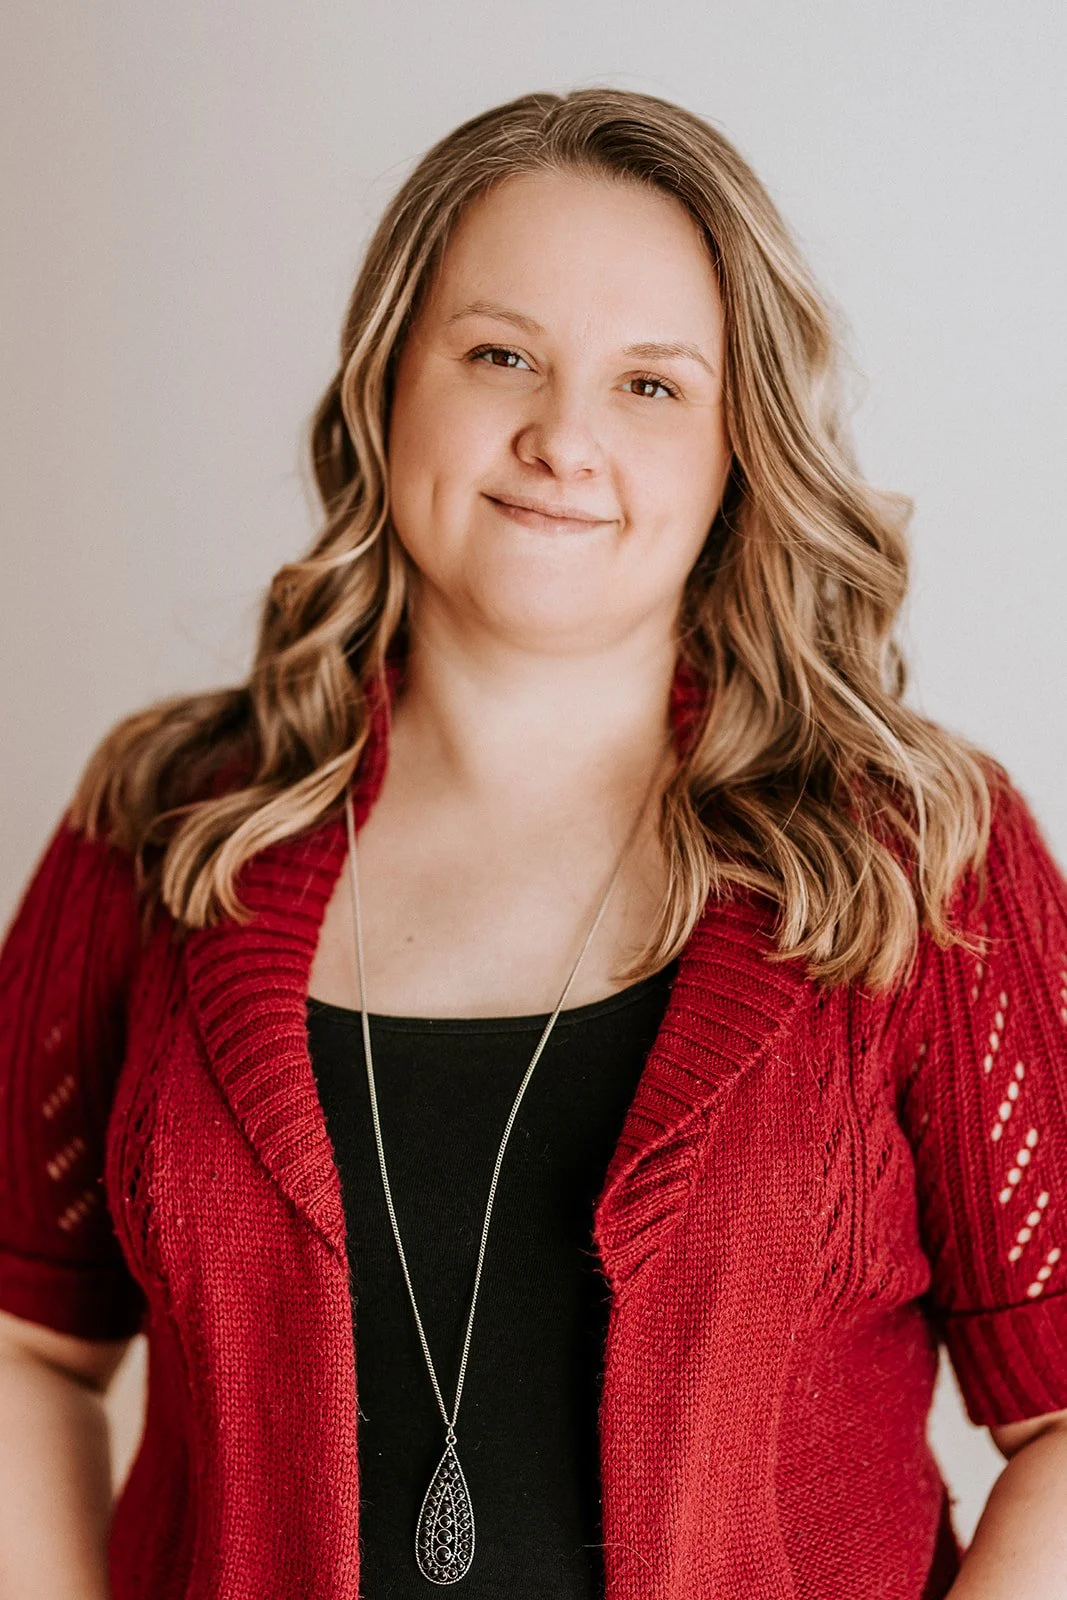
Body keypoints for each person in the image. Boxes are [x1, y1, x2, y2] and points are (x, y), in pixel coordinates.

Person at [1, 86, 1065, 1600]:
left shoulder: (912, 862)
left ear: (735, 448)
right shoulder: (163, 825)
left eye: (650, 386)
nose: (562, 438)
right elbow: (24, 1343)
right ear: (387, 386)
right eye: (500, 355)